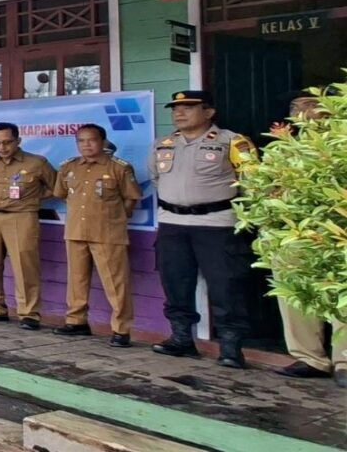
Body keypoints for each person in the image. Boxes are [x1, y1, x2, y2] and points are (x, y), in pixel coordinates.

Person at [150, 90, 256, 369]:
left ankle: (231, 347)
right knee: (175, 282)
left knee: (226, 285)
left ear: (208, 112)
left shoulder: (232, 142)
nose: (179, 113)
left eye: (188, 107)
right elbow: (156, 177)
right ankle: (182, 338)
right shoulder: (163, 143)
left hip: (216, 224)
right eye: (175, 108)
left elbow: (253, 183)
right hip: (172, 223)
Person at [272, 90, 346, 387]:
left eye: (311, 106)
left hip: (336, 234)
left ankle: (344, 360)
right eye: (297, 107)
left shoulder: (339, 145)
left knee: (342, 298)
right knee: (295, 295)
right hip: (293, 234)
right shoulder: (283, 149)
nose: (304, 112)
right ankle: (309, 357)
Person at [52, 123, 142, 347]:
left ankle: (121, 330)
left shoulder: (118, 168)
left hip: (108, 233)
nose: (86, 145)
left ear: (102, 142)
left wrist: (115, 217)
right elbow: (61, 194)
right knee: (77, 280)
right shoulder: (69, 167)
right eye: (81, 141)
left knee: (115, 283)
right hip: (75, 231)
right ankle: (76, 321)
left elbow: (131, 197)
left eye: (91, 140)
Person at [0, 122, 57, 330]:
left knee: (24, 265)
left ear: (18, 141)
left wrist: (33, 199)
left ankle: (29, 314)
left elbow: (57, 188)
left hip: (22, 216)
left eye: (7, 142)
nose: (2, 147)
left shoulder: (36, 163)